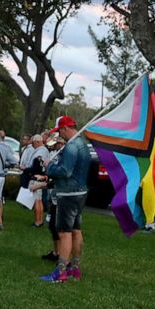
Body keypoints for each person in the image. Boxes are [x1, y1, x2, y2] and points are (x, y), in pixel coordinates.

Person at [40, 116, 90, 283]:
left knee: (64, 232)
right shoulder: (83, 143)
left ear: (65, 128)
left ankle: (60, 271)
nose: (60, 136)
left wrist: (49, 167)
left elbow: (65, 171)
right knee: (76, 230)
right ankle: (74, 268)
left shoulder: (71, 146)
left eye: (60, 132)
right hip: (81, 192)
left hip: (68, 193)